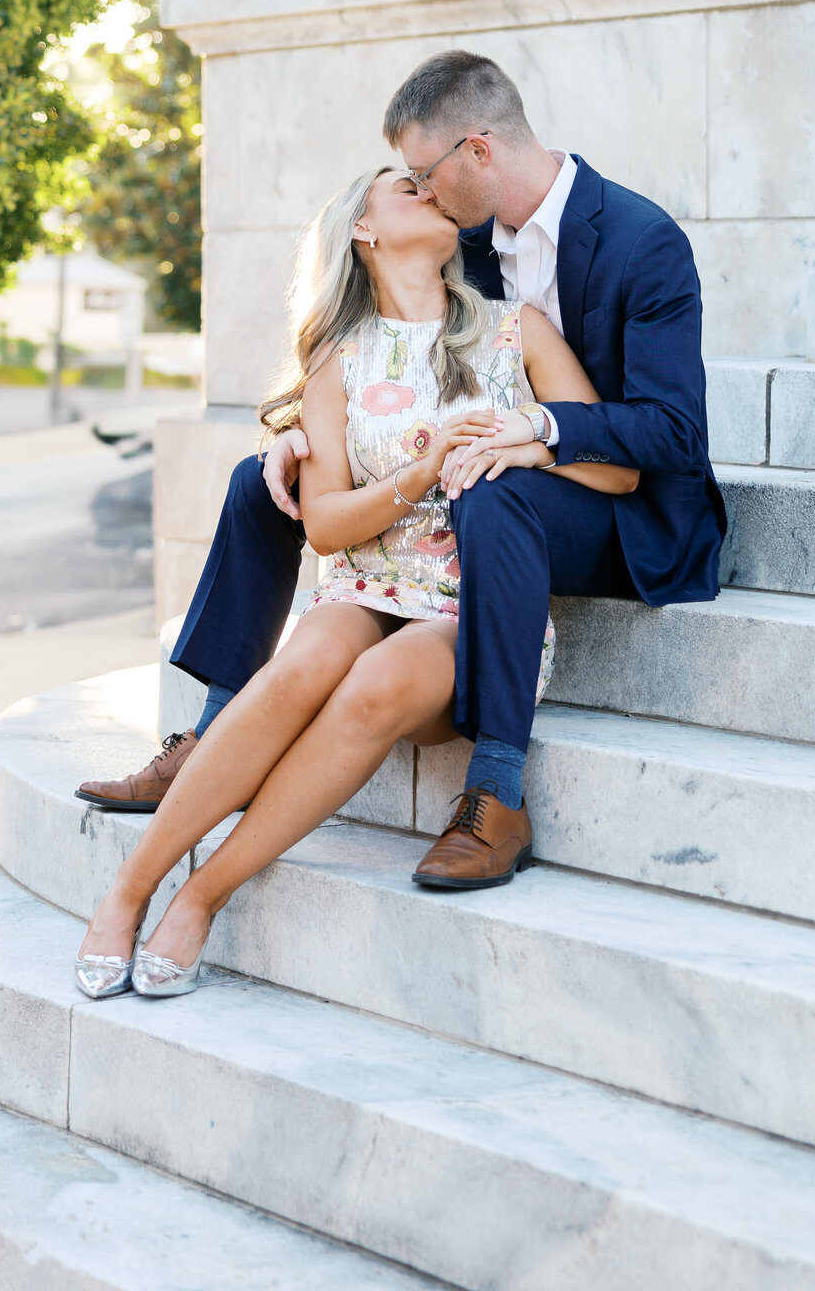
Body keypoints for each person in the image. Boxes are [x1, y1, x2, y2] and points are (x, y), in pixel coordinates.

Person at [78, 47, 727, 890]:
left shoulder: (643, 241)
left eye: (425, 174)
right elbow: (404, 353)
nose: (422, 192)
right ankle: (216, 730)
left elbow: (675, 433)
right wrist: (295, 435)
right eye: (410, 184)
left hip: (620, 511)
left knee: (492, 488)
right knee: (260, 482)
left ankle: (496, 790)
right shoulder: (469, 239)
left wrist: (537, 428)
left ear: (477, 151)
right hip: (486, 483)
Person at [74, 160, 636, 1000]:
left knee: (372, 686)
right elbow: (328, 526)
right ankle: (128, 891)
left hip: (473, 604)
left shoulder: (516, 331)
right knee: (301, 664)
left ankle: (201, 897)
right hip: (365, 584)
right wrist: (424, 469)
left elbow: (617, 469)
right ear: (363, 231)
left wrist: (527, 444)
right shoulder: (339, 360)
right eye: (406, 188)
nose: (430, 191)